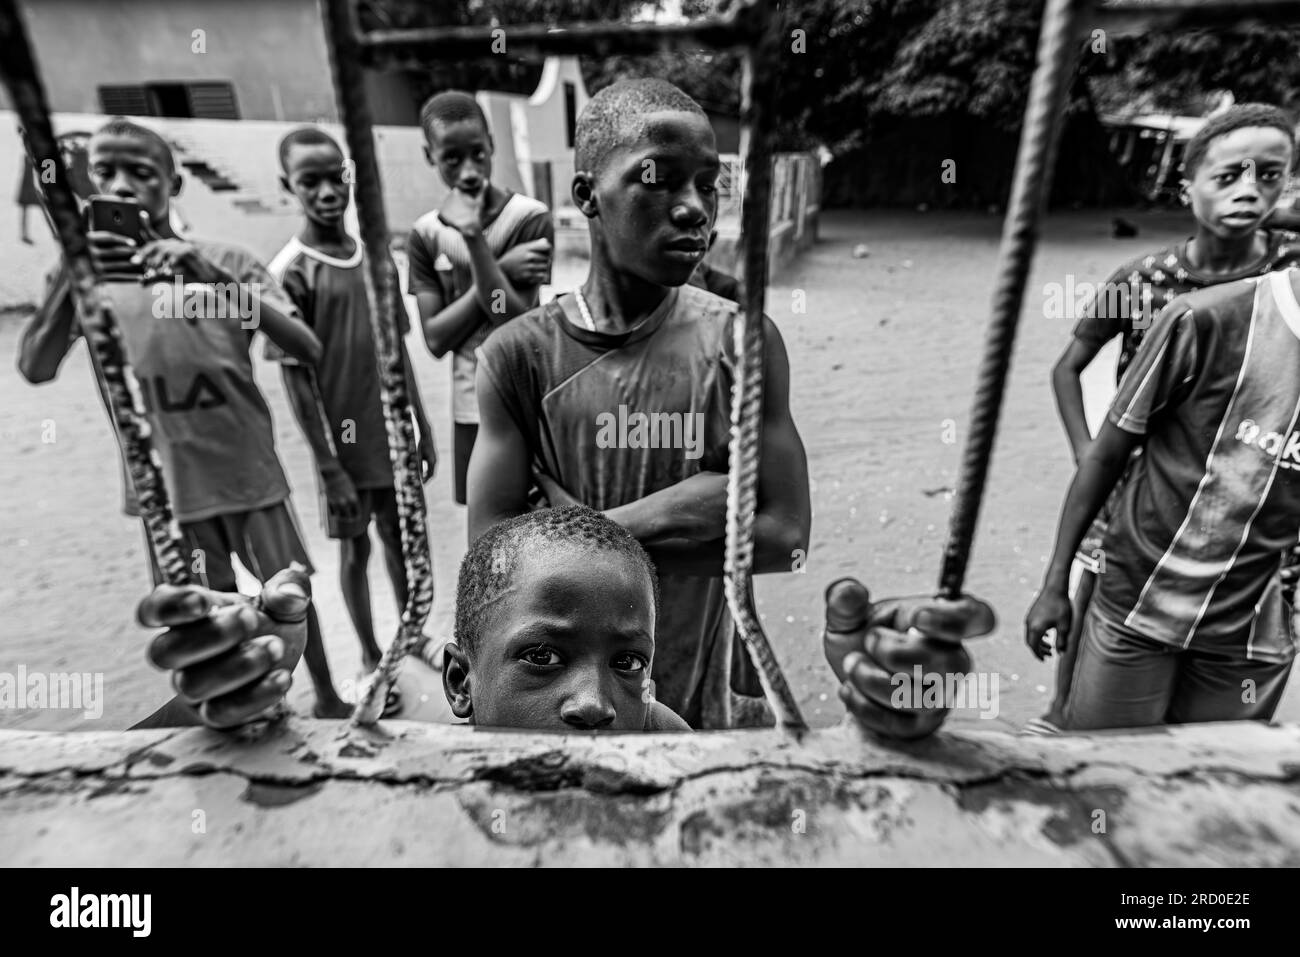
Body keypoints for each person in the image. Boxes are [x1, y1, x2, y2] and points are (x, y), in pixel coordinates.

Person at [468, 78, 812, 729]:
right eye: (657, 179)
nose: (693, 209)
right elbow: (490, 558)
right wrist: (679, 508)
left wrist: (574, 527)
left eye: (708, 183)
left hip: (698, 693)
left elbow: (785, 537)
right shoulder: (518, 356)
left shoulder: (742, 342)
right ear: (587, 196)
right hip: (567, 709)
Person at [15, 117, 350, 719]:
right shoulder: (89, 280)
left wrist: (209, 276)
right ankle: (242, 710)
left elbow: (306, 345)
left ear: (173, 183)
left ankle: (326, 696)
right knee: (206, 616)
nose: (121, 187)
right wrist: (73, 273)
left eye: (140, 174)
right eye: (106, 174)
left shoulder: (225, 263)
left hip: (249, 476)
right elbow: (35, 367)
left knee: (291, 594)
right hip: (167, 496)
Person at [139, 504, 997, 738]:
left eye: (629, 662)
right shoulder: (397, 749)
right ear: (459, 682)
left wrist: (885, 731)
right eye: (543, 656)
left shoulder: (659, 737)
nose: (595, 701)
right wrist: (228, 706)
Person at [1039, 102, 1300, 731]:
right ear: (1187, 189)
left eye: (1270, 175)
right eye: (1229, 175)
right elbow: (1067, 367)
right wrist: (1088, 450)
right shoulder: (1147, 280)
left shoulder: (1285, 273)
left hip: (1251, 486)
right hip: (1144, 478)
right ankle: (1064, 716)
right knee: (1101, 605)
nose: (1249, 190)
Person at [269, 126, 437, 715]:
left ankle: (411, 635)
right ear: (288, 186)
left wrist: (422, 424)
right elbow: (295, 377)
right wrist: (328, 467)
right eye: (307, 181)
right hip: (342, 452)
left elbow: (398, 350)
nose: (324, 192)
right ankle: (369, 657)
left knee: (401, 540)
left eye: (333, 176)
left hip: (390, 438)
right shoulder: (290, 271)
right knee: (355, 551)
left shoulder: (378, 261)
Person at [407, 90, 554, 508]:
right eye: (452, 158)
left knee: (535, 522)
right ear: (429, 155)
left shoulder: (529, 218)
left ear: (492, 143)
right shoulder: (426, 234)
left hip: (526, 395)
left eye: (478, 153)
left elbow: (513, 322)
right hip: (469, 404)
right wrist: (499, 267)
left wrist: (473, 241)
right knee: (485, 524)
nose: (469, 171)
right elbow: (435, 339)